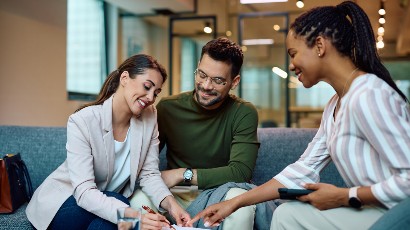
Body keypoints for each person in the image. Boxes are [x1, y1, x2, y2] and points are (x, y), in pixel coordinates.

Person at [189, 1, 410, 229]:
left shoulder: (369, 94)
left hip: (399, 214)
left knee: (289, 216)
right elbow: (302, 170)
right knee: (288, 213)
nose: (292, 65)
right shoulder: (335, 104)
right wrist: (234, 203)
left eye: (293, 54)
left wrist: (345, 196)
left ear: (320, 46)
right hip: (374, 210)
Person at [26, 54, 190, 230]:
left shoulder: (150, 116)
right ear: (125, 78)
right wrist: (136, 218)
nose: (150, 97)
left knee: (112, 220)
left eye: (156, 93)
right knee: (121, 205)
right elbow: (84, 193)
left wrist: (172, 206)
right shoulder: (83, 121)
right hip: (64, 204)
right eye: (147, 87)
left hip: (107, 208)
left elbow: (149, 175)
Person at [129, 37, 273, 229]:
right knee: (138, 199)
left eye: (218, 80)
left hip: (220, 193)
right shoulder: (168, 108)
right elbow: (141, 162)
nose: (206, 86)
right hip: (175, 194)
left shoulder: (243, 112)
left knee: (241, 204)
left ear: (234, 81)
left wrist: (183, 174)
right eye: (202, 75)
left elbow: (240, 172)